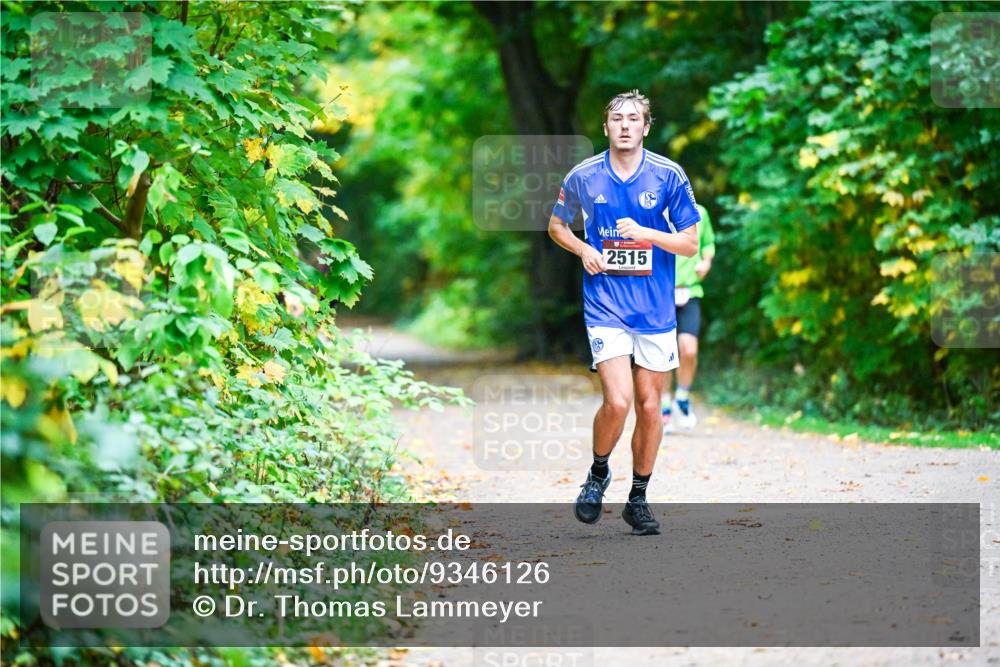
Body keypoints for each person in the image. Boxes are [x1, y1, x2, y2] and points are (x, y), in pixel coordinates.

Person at [548, 90, 700, 536]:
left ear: (646, 127)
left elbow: (689, 242)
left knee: (651, 407)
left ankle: (638, 498)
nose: (626, 125)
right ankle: (597, 475)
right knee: (618, 401)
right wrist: (582, 250)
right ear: (606, 127)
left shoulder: (668, 175)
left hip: (655, 309)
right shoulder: (584, 176)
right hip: (605, 304)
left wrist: (650, 234)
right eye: (617, 119)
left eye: (634, 119)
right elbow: (557, 225)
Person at [662, 202, 715, 433]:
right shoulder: (656, 212)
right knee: (663, 354)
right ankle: (663, 406)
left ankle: (681, 398)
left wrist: (706, 262)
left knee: (689, 350)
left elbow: (708, 244)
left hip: (690, 291)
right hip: (661, 292)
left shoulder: (700, 213)